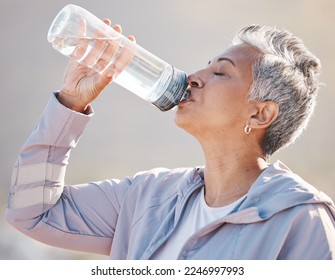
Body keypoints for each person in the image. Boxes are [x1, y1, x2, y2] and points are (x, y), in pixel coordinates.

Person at [6, 22, 335, 260]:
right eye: (206, 66)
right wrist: (71, 102)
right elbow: (33, 213)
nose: (194, 77)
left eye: (220, 72)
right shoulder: (147, 198)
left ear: (260, 115)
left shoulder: (299, 219)